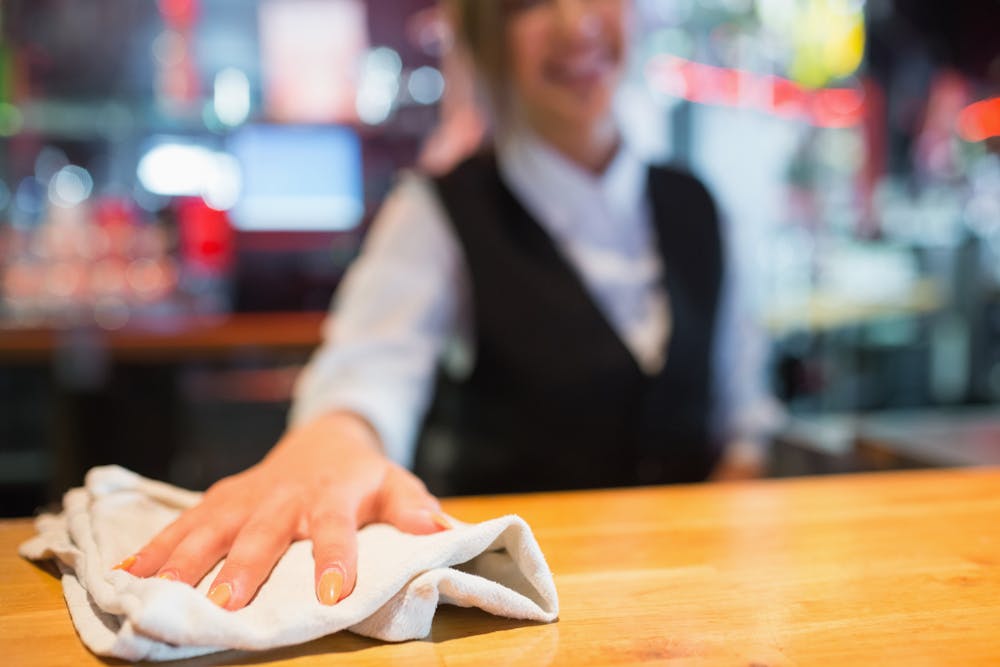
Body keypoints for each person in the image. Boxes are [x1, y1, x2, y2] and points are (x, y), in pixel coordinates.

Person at [115, 0, 775, 612]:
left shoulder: (704, 206)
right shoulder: (439, 212)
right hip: (514, 616)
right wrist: (329, 446)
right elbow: (365, 373)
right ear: (490, 38)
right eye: (529, 2)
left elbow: (744, 425)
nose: (575, 24)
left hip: (693, 611)